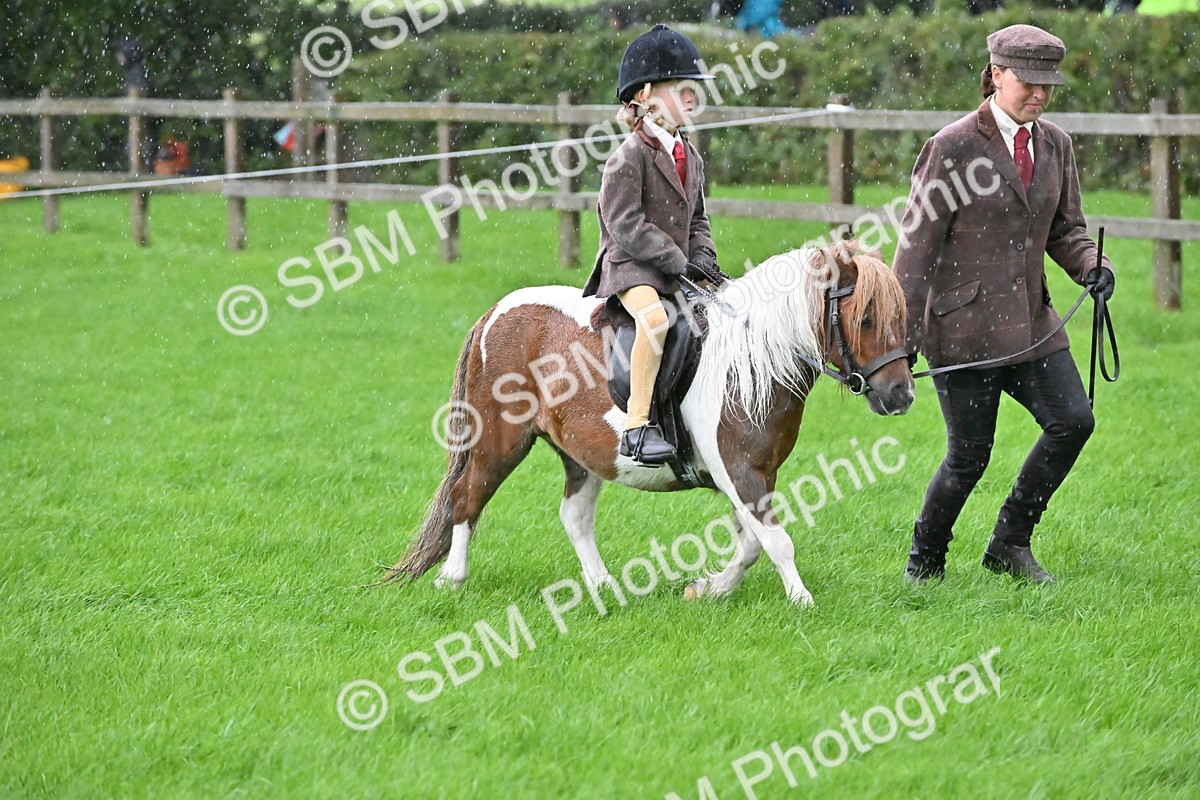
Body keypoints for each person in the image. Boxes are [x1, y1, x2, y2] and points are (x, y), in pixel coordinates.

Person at [893, 24, 1115, 585]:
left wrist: (1091, 265)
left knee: (1073, 422)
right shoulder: (951, 146)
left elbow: (1067, 229)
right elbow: (915, 249)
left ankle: (1009, 543)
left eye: (1048, 85)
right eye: (1028, 82)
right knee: (969, 457)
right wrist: (901, 341)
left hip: (1034, 326)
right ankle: (925, 564)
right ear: (995, 75)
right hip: (962, 329)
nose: (1039, 95)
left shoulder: (1057, 144)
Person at [582, 24, 719, 465]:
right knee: (656, 321)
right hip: (631, 267)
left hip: (674, 266)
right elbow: (625, 224)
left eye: (691, 90)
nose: (690, 99)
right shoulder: (628, 157)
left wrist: (702, 257)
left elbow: (698, 217)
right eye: (681, 90)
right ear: (644, 96)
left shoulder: (691, 156)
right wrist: (676, 259)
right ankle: (637, 427)